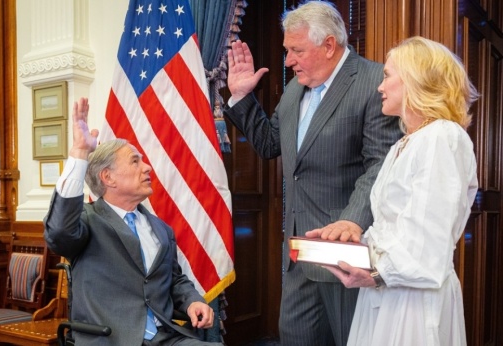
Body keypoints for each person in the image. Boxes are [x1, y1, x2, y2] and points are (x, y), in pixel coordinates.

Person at [223, 1, 401, 345]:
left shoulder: (373, 83)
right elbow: (269, 144)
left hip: (347, 253)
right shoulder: (294, 89)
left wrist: (350, 223)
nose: (288, 60)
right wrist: (242, 97)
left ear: (329, 45)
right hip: (299, 255)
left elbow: (380, 165)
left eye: (296, 50)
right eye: (287, 50)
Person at [309, 36, 478, 346]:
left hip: (413, 301)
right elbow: (392, 226)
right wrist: (352, 245)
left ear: (416, 80)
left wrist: (377, 272)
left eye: (387, 76)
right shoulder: (404, 143)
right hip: (388, 290)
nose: (379, 87)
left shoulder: (442, 137)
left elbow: (428, 237)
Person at [44, 98, 224, 346]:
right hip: (111, 339)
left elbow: (175, 280)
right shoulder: (87, 221)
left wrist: (193, 300)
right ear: (108, 177)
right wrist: (79, 154)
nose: (147, 167)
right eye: (135, 161)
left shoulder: (161, 229)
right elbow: (59, 233)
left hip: (166, 337)